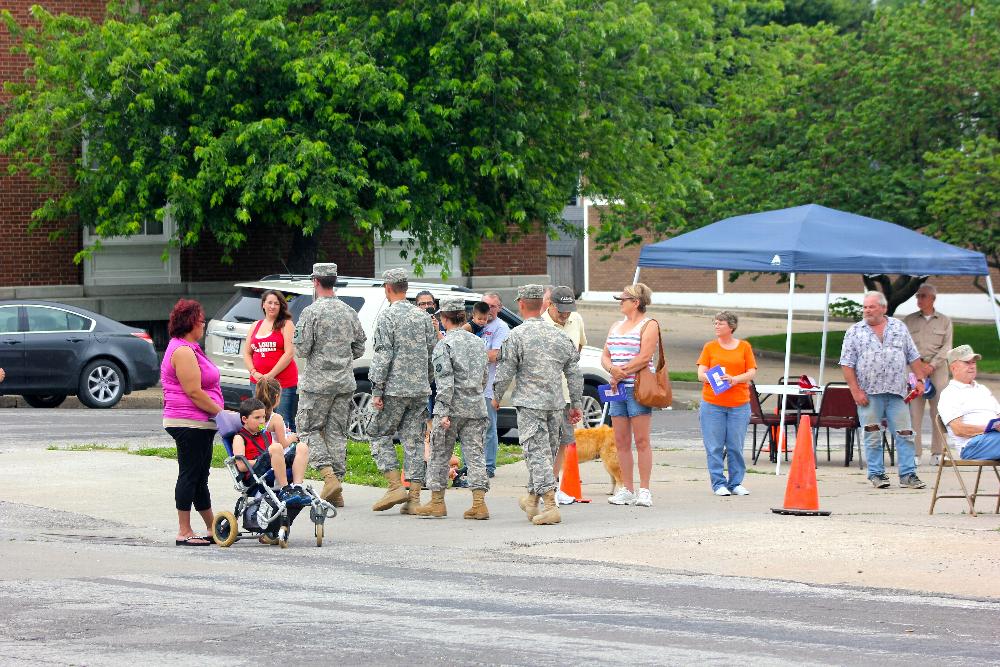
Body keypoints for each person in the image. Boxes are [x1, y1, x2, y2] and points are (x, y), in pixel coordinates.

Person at [494, 284, 584, 526]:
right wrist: (575, 403)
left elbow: (504, 372)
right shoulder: (559, 336)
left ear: (521, 304)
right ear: (543, 305)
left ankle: (551, 505)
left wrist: (496, 396)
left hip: (530, 405)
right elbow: (575, 373)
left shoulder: (517, 336)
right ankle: (532, 500)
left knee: (537, 455)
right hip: (555, 404)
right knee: (545, 455)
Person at [293, 263, 366, 508]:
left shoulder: (311, 313)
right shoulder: (348, 311)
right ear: (334, 281)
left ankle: (329, 477)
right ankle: (337, 490)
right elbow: (359, 347)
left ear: (315, 281)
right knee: (337, 433)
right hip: (344, 382)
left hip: (317, 385)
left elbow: (301, 349)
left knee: (308, 429)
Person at [840, 290, 927, 489]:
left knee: (905, 434)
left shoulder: (899, 327)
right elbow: (847, 363)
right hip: (869, 393)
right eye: (865, 307)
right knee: (872, 434)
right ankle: (877, 474)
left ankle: (908, 474)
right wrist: (855, 391)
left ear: (883, 308)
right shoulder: (854, 331)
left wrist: (920, 380)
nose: (867, 310)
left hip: (897, 393)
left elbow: (913, 356)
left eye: (871, 307)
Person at [414, 296, 491, 519]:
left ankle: (437, 502)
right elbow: (483, 378)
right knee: (475, 455)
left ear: (444, 319)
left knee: (439, 453)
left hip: (451, 408)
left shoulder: (444, 345)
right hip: (476, 407)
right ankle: (479, 503)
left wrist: (444, 410)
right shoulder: (478, 342)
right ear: (464, 317)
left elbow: (445, 382)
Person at [369, 268, 438, 514]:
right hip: (419, 389)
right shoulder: (422, 317)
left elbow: (383, 355)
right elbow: (434, 353)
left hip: (394, 390)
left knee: (378, 433)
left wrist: (377, 389)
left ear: (388, 288)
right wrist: (426, 381)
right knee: (414, 441)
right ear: (406, 288)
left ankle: (394, 486)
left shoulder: (387, 318)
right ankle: (415, 498)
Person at [161, 299, 223, 546]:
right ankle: (184, 530)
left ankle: (211, 527)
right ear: (190, 323)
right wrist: (222, 413)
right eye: (201, 320)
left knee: (199, 476)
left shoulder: (190, 348)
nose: (204, 324)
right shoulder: (183, 351)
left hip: (199, 423)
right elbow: (194, 392)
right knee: (189, 475)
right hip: (189, 422)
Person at [601, 283, 660, 507]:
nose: (620, 303)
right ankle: (627, 487)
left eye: (623, 299)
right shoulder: (616, 326)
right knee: (621, 440)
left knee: (642, 440)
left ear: (636, 302)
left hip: (637, 387)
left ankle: (644, 489)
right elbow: (605, 355)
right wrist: (611, 370)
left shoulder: (649, 325)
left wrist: (619, 373)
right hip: (617, 388)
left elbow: (644, 357)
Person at [696, 311, 757, 497]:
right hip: (712, 404)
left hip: (739, 404)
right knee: (714, 446)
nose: (716, 326)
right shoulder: (710, 347)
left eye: (720, 323)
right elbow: (700, 374)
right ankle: (718, 483)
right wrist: (712, 378)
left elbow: (751, 372)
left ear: (731, 326)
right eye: (715, 323)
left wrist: (734, 379)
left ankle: (736, 482)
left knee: (735, 446)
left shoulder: (744, 347)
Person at [542, 286, 588, 496]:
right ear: (550, 305)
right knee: (546, 442)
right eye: (561, 310)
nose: (565, 314)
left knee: (564, 440)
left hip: (568, 393)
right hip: (545, 395)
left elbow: (578, 349)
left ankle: (555, 484)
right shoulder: (540, 324)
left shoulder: (576, 320)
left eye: (568, 310)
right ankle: (544, 485)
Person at [903, 283, 953, 466]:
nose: (919, 299)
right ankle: (915, 453)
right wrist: (919, 366)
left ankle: (937, 452)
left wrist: (931, 365)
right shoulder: (908, 321)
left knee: (937, 412)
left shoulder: (945, 321)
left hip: (937, 369)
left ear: (932, 299)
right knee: (915, 413)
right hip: (915, 368)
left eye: (923, 296)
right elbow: (905, 346)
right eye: (918, 296)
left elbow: (947, 347)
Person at [231, 398, 310, 505]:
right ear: (245, 419)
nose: (262, 421)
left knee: (302, 446)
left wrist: (277, 459)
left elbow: (275, 453)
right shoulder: (239, 438)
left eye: (263, 417)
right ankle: (285, 489)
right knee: (276, 447)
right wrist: (272, 460)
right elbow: (241, 466)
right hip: (255, 474)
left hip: (271, 466)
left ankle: (297, 487)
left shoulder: (266, 434)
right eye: (257, 418)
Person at [242, 289, 299, 432]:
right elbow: (247, 353)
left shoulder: (286, 324)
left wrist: (270, 375)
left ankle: (289, 451)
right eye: (269, 303)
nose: (272, 306)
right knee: (260, 418)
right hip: (258, 382)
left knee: (284, 419)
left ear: (281, 306)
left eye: (276, 303)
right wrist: (254, 372)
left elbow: (289, 353)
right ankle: (264, 449)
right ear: (263, 305)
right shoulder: (256, 325)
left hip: (283, 383)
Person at [937, 345, 1000, 460]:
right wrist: (989, 428)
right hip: (972, 445)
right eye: (967, 363)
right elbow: (959, 429)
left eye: (974, 363)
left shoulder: (982, 389)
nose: (972, 366)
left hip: (994, 439)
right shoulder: (950, 394)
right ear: (953, 368)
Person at [480, 291, 510, 477]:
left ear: (499, 308)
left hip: (489, 386)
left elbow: (495, 355)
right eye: (486, 305)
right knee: (471, 429)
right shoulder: (475, 323)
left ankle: (489, 466)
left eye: (493, 306)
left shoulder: (501, 327)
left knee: (489, 427)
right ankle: (471, 465)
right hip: (471, 387)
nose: (489, 309)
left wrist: (469, 354)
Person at [254, 377, 297, 448]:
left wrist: (282, 430)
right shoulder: (276, 418)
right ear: (276, 397)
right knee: (302, 448)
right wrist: (291, 438)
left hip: (262, 451)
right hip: (277, 456)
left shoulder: (254, 415)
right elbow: (283, 445)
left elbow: (263, 430)